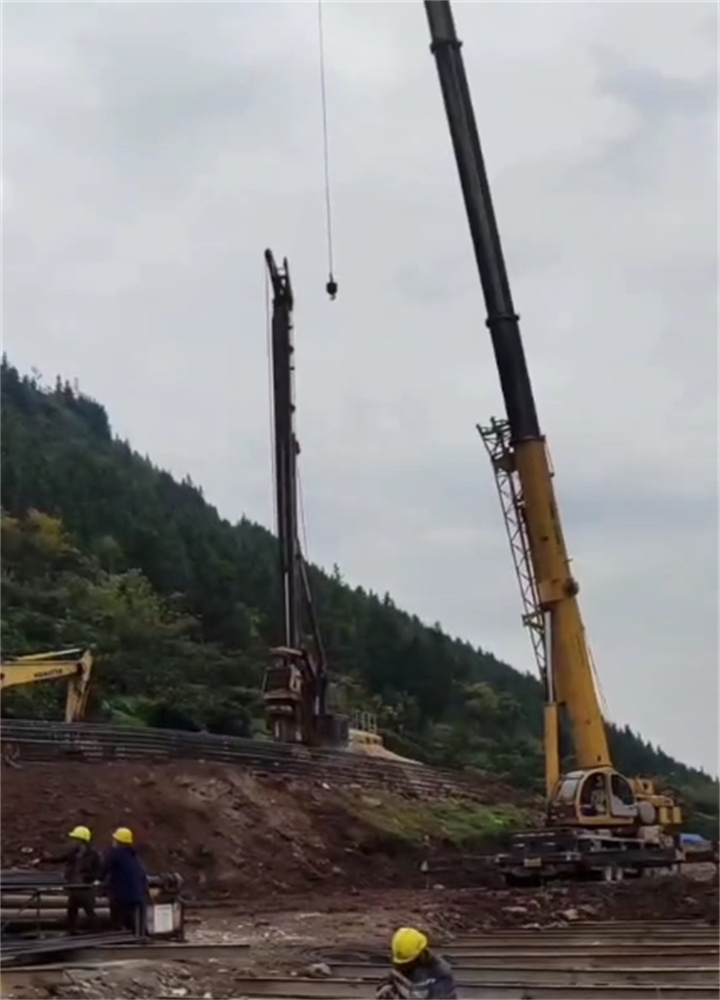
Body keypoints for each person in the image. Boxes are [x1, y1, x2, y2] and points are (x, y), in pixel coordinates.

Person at [37, 825, 102, 934]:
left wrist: (90, 879)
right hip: (74, 886)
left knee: (89, 911)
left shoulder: (92, 855)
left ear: (82, 841)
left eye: (75, 839)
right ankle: (71, 930)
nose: (73, 841)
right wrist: (44, 859)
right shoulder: (75, 852)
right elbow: (60, 859)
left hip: (85, 887)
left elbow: (98, 870)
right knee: (72, 910)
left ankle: (95, 932)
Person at [376, 927, 458, 999]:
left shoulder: (440, 973)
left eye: (408, 963)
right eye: (402, 964)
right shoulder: (401, 966)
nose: (404, 967)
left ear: (420, 954)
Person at [101, 827, 149, 936]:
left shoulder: (115, 854)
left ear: (118, 841)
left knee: (117, 919)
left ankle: (118, 936)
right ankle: (138, 936)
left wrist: (97, 880)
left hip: (121, 894)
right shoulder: (134, 855)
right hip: (137, 894)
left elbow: (104, 870)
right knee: (132, 920)